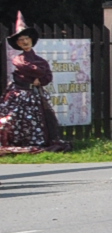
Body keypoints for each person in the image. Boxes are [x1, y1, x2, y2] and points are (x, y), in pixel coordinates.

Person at [1, 22, 66, 154]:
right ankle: (19, 141)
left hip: (36, 94)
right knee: (16, 118)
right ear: (18, 44)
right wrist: (40, 73)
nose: (25, 42)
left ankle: (37, 140)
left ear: (31, 40)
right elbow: (27, 68)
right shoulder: (18, 59)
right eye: (21, 40)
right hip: (20, 94)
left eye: (27, 39)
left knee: (39, 119)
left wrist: (40, 80)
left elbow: (48, 76)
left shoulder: (41, 60)